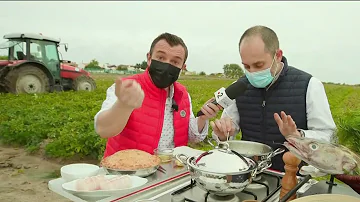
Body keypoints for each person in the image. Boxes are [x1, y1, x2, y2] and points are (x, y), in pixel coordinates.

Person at [210, 25, 337, 172]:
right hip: (249, 175)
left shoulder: (309, 85)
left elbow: (328, 136)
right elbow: (228, 134)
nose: (252, 72)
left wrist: (298, 136)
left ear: (277, 55)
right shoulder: (239, 87)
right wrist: (222, 135)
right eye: (246, 66)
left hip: (294, 178)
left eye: (259, 65)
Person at [94, 32, 220, 158]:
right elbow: (104, 130)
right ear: (149, 58)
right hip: (128, 172)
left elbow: (192, 137)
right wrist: (123, 105)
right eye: (161, 58)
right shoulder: (127, 88)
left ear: (183, 67)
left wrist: (203, 118)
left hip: (169, 172)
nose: (166, 65)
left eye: (175, 62)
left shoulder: (182, 94)